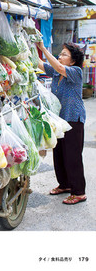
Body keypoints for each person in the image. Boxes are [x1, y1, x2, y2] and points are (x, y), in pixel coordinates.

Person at [35, 41, 87, 205]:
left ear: (72, 61)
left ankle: (79, 191)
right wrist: (27, 45)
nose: (60, 56)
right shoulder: (58, 73)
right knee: (59, 154)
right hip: (59, 120)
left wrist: (43, 48)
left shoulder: (75, 71)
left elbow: (58, 67)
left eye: (64, 54)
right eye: (61, 53)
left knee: (72, 156)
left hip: (73, 118)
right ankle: (64, 185)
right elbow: (39, 64)